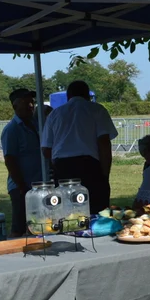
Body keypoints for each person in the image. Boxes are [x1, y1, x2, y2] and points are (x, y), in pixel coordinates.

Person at [41, 80, 117, 212]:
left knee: (66, 210)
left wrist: (57, 164)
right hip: (90, 166)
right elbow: (104, 143)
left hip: (63, 165)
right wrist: (105, 175)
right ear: (87, 95)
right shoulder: (97, 110)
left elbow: (46, 149)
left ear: (68, 96)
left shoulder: (55, 114)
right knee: (96, 209)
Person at [1, 89, 43, 237]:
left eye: (32, 102)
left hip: (39, 186)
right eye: (26, 102)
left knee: (40, 225)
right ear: (15, 106)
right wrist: (22, 187)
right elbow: (10, 160)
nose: (31, 105)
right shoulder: (11, 130)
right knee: (19, 227)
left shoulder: (36, 124)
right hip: (22, 188)